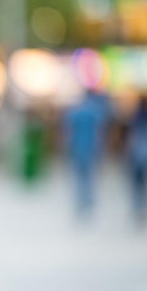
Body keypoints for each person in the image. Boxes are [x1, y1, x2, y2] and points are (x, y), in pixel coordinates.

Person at [62, 88, 111, 218]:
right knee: (90, 177)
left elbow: (68, 132)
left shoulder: (75, 111)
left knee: (79, 178)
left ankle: (81, 204)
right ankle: (88, 202)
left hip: (77, 148)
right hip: (90, 148)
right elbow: (99, 133)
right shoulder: (95, 111)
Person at [124, 96, 147, 224]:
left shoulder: (135, 120)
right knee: (146, 185)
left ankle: (138, 209)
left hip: (136, 157)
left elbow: (131, 140)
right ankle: (145, 209)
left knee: (136, 185)